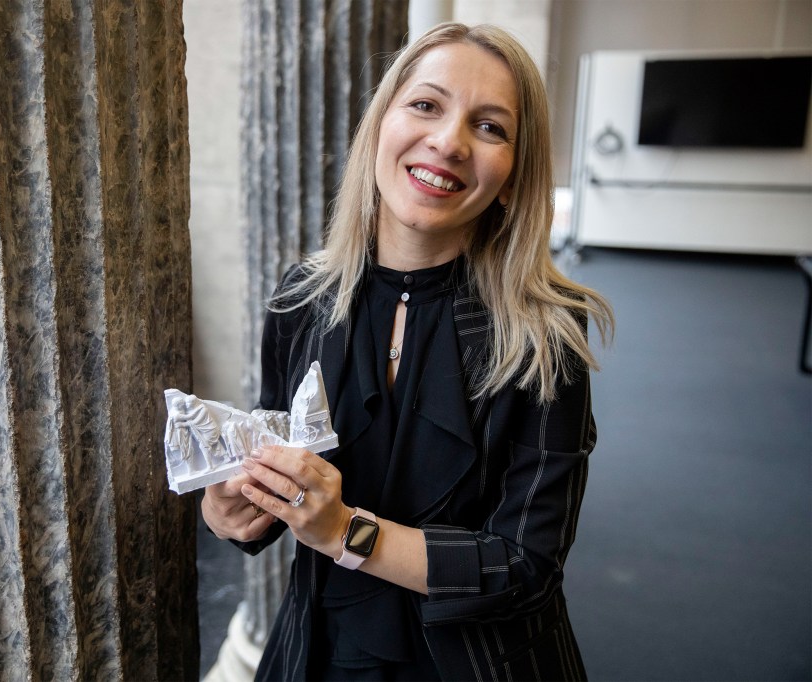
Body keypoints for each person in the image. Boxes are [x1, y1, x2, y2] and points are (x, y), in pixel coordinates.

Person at [202, 22, 614, 682]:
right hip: (319, 649)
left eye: (490, 127)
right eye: (425, 105)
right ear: (380, 130)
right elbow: (281, 467)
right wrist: (235, 514)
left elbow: (525, 566)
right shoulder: (302, 297)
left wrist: (345, 530)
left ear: (512, 176)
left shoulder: (547, 333)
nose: (448, 142)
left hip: (472, 664)